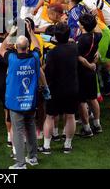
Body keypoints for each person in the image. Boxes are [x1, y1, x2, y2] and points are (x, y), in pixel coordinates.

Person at [0, 22, 44, 169]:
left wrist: (11, 33)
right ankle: (33, 157)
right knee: (31, 127)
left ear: (17, 47)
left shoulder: (12, 59)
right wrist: (31, 32)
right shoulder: (35, 58)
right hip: (30, 100)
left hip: (15, 102)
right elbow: (37, 46)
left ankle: (20, 163)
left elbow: (2, 48)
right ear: (27, 47)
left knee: (18, 132)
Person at [42, 22, 78, 154]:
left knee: (50, 116)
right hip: (71, 88)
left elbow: (48, 73)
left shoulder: (53, 53)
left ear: (55, 36)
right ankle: (67, 145)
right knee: (70, 116)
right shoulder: (74, 48)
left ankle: (46, 146)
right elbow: (70, 42)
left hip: (55, 89)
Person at [76, 13, 102, 137]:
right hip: (91, 73)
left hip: (82, 72)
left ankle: (87, 129)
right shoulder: (97, 36)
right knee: (93, 99)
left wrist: (89, 65)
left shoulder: (82, 39)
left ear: (82, 25)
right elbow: (99, 30)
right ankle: (97, 125)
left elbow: (79, 57)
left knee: (81, 101)